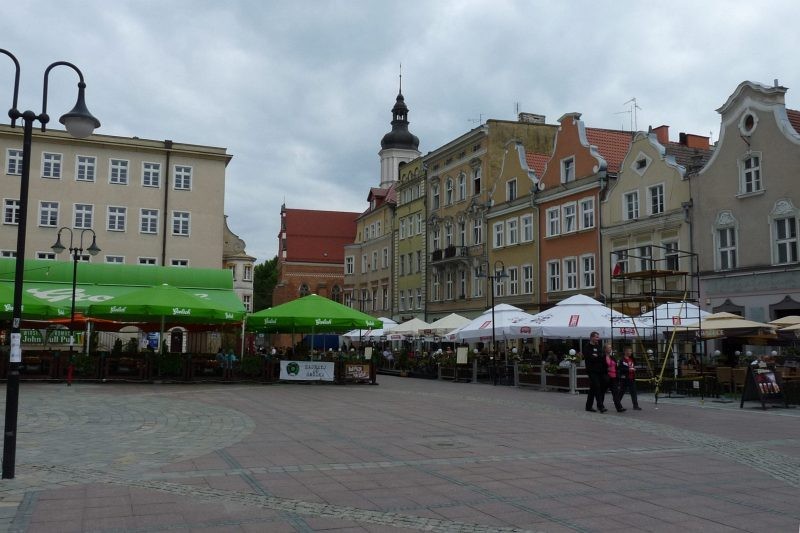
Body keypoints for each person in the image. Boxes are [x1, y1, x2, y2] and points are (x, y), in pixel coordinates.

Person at [583, 331, 607, 413]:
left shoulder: (598, 346)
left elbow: (601, 357)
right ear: (592, 337)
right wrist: (596, 357)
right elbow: (589, 358)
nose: (598, 339)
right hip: (591, 371)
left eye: (598, 337)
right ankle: (600, 406)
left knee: (593, 388)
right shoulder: (587, 347)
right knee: (597, 387)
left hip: (599, 370)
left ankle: (588, 406)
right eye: (596, 337)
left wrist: (596, 357)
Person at [604, 344, 625, 412]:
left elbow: (616, 367)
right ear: (605, 349)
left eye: (610, 348)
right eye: (609, 348)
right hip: (606, 377)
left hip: (614, 377)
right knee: (602, 392)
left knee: (615, 392)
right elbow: (601, 367)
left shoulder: (612, 357)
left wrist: (618, 374)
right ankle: (600, 405)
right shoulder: (602, 357)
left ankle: (619, 407)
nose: (610, 349)